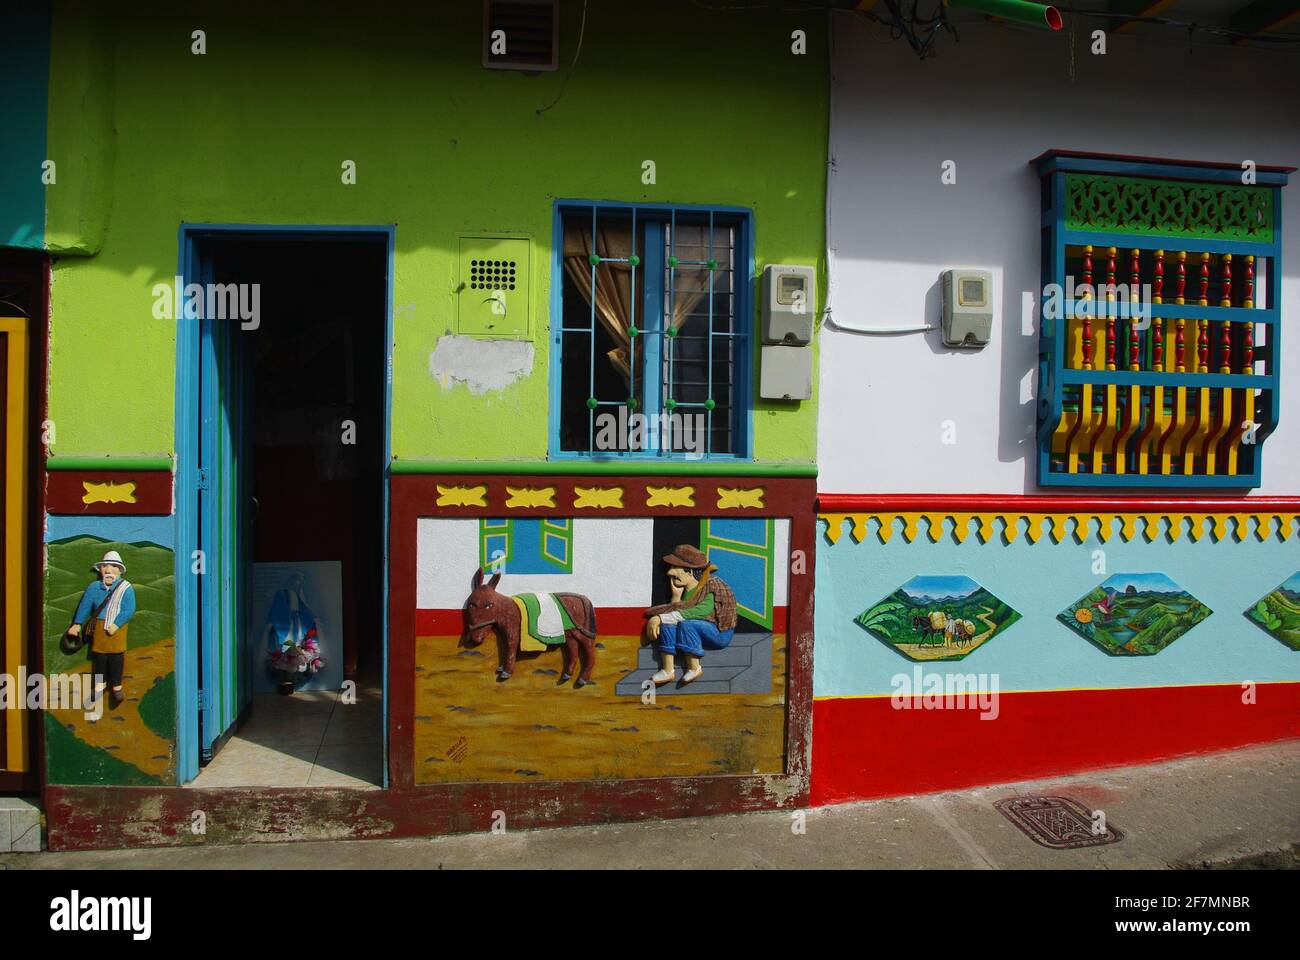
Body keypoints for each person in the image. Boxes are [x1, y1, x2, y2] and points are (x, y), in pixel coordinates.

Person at [644, 544, 737, 685]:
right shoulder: (687, 590)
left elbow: (699, 612)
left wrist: (659, 618)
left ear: (690, 572)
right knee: (669, 624)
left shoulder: (712, 585)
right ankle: (668, 670)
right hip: (698, 628)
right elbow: (679, 612)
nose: (670, 572)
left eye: (675, 567)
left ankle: (695, 667)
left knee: (687, 624)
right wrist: (676, 597)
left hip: (719, 633)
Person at [68, 550, 137, 713]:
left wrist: (117, 624)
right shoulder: (94, 588)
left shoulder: (126, 588)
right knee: (100, 657)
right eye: (105, 566)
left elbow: (129, 609)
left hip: (117, 630)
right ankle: (100, 685)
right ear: (100, 570)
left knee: (116, 657)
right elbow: (85, 606)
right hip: (99, 628)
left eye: (113, 566)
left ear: (120, 570)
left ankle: (116, 686)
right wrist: (77, 624)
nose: (109, 570)